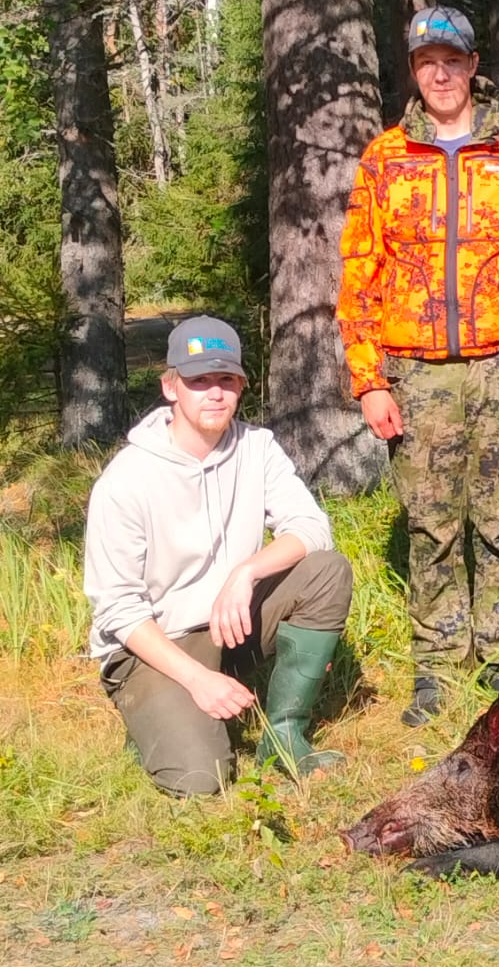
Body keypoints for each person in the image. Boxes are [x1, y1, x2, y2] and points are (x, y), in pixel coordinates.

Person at [337, 5, 499, 726]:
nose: (439, 74)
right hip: (417, 372)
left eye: (452, 60)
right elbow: (359, 275)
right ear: (413, 71)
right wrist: (369, 380)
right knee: (431, 524)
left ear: (473, 66)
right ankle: (438, 668)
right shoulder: (385, 160)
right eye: (426, 62)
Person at [83, 316, 353, 796]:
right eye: (198, 380)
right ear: (171, 387)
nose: (214, 393)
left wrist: (246, 572)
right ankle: (151, 717)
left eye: (226, 379)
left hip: (229, 625)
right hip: (153, 644)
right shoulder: (125, 480)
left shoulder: (257, 448)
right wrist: (196, 679)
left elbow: (313, 528)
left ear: (241, 386)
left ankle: (284, 736)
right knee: (201, 779)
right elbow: (119, 609)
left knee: (325, 571)